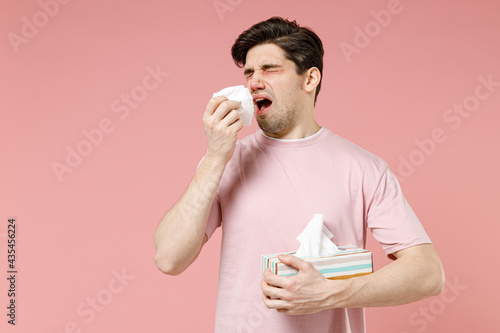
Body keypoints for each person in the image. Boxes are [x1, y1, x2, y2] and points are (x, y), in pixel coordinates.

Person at [154, 17, 445, 333]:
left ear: (310, 79)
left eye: (270, 69)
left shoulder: (365, 168)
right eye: (249, 73)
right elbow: (169, 259)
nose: (253, 82)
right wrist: (214, 158)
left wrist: (328, 294)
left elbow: (428, 274)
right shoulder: (226, 160)